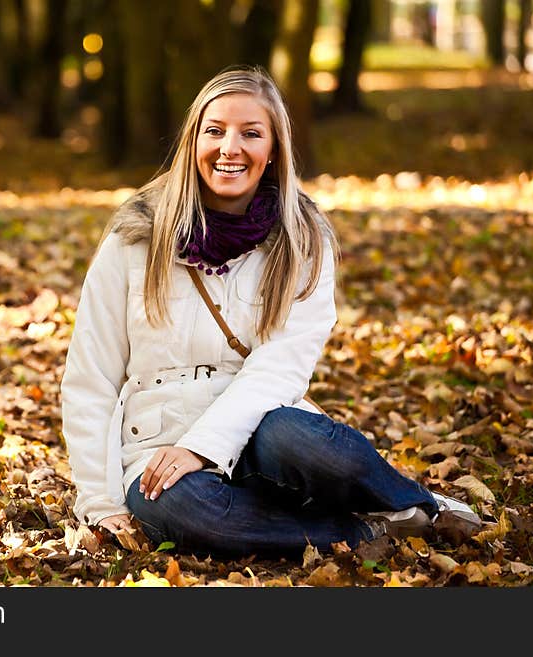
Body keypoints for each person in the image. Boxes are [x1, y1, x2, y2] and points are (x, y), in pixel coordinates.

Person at [59, 65, 482, 559]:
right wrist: (100, 500)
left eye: (251, 133)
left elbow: (280, 367)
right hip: (157, 445)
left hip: (264, 428)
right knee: (183, 512)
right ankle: (362, 534)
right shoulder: (134, 238)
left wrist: (203, 446)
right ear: (192, 141)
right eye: (214, 131)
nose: (229, 148)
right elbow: (91, 377)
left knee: (316, 449)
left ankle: (417, 505)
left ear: (274, 149)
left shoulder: (303, 239)